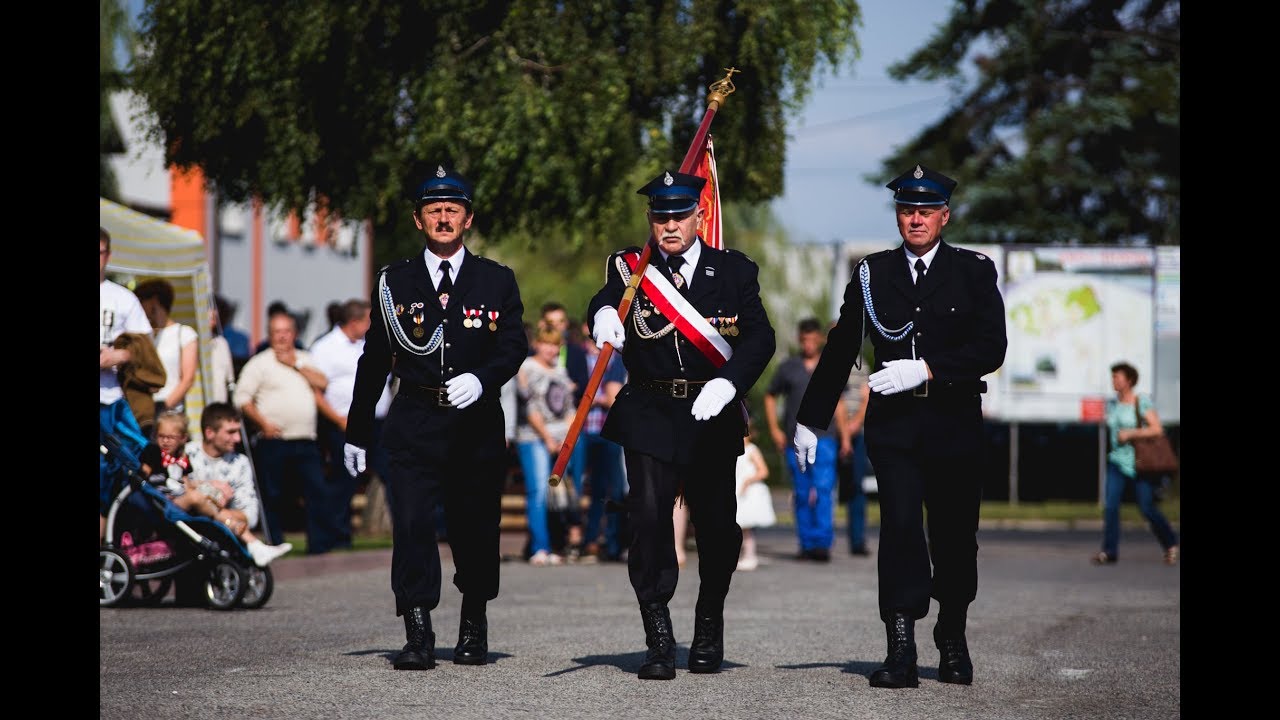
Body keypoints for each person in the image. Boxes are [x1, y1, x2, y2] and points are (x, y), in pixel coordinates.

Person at [794, 164, 1007, 689]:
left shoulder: (972, 271)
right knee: (900, 532)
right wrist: (810, 419)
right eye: (907, 210)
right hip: (896, 428)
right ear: (898, 216)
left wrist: (930, 367)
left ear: (944, 216)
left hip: (954, 421)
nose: (916, 219)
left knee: (956, 536)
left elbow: (991, 348)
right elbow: (842, 345)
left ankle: (952, 635)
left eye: (926, 211)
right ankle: (901, 644)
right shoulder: (873, 273)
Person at [587, 169, 776, 680]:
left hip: (710, 414)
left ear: (699, 215)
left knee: (717, 528)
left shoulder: (733, 270)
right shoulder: (631, 267)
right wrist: (602, 312)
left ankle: (709, 621)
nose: (669, 226)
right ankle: (658, 633)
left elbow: (759, 338)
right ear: (651, 220)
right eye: (660, 217)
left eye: (679, 215)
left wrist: (730, 383)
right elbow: (606, 298)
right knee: (648, 521)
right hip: (649, 412)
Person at [343, 166, 527, 671]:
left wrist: (484, 379)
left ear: (468, 218)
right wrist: (357, 429)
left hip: (475, 423)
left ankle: (473, 620)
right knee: (412, 524)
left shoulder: (496, 279)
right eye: (433, 211)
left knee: (473, 526)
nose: (443, 218)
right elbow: (375, 360)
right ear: (418, 219)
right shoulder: (393, 281)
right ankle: (418, 631)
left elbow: (514, 345)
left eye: (452, 210)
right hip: (416, 418)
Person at [233, 310, 330, 552]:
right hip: (274, 439)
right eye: (277, 332)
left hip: (305, 438)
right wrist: (263, 423)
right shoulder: (260, 363)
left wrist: (295, 363)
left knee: (316, 492)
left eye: (286, 331)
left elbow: (323, 382)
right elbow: (242, 399)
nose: (282, 337)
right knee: (273, 494)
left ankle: (318, 545)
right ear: (270, 335)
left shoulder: (305, 358)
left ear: (294, 334)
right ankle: (274, 541)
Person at [144, 409, 293, 567]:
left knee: (200, 496)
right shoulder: (157, 453)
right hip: (161, 503)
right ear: (209, 433)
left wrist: (212, 493)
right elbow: (144, 476)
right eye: (161, 437)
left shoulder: (184, 457)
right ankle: (253, 543)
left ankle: (255, 546)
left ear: (182, 439)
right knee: (198, 497)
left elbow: (187, 483)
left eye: (170, 438)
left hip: (185, 507)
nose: (165, 441)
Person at [311, 298, 394, 552]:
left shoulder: (372, 343)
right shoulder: (325, 347)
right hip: (343, 425)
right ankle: (337, 536)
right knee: (344, 480)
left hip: (379, 424)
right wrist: (337, 419)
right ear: (356, 322)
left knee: (394, 474)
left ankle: (411, 529)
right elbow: (315, 389)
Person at [765, 318, 849, 562]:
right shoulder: (788, 367)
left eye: (813, 339)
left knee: (823, 490)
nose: (809, 344)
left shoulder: (829, 365)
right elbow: (770, 396)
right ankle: (806, 543)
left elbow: (840, 404)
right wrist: (774, 429)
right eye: (804, 339)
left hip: (826, 438)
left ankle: (822, 544)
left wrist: (844, 437)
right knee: (801, 493)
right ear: (799, 339)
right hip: (794, 440)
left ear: (820, 339)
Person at [101, 227, 159, 540]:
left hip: (113, 401)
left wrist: (117, 355)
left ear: (108, 256)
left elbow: (145, 350)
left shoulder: (122, 299)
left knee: (122, 474)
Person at [1094, 361, 1179, 566]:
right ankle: (1109, 551)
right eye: (1113, 376)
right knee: (1111, 506)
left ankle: (1170, 543)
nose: (1114, 380)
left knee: (1146, 507)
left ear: (1129, 380)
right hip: (1117, 462)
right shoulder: (1113, 404)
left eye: (1117, 377)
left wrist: (1131, 433)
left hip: (1140, 464)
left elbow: (1157, 429)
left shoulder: (1141, 403)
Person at [515, 321, 578, 566]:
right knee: (539, 492)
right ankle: (539, 547)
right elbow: (530, 408)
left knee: (559, 496)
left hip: (562, 439)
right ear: (537, 345)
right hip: (535, 438)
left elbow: (570, 407)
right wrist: (548, 438)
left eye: (555, 345)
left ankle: (554, 545)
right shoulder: (527, 368)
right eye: (547, 344)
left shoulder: (560, 370)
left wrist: (568, 439)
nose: (551, 350)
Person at [134, 279, 199, 418]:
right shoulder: (143, 335)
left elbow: (188, 379)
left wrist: (162, 407)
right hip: (141, 411)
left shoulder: (184, 333)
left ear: (154, 301)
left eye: (140, 302)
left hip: (171, 414)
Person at [838, 374, 872, 556]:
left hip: (857, 433)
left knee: (857, 487)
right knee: (822, 489)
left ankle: (857, 541)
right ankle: (818, 544)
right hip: (829, 431)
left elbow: (867, 396)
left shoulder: (863, 366)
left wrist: (856, 422)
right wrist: (844, 433)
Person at [734, 425, 774, 571]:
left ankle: (750, 555)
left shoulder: (751, 450)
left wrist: (748, 480)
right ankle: (743, 555)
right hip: (738, 492)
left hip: (748, 493)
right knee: (739, 527)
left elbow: (763, 471)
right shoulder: (734, 450)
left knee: (746, 528)